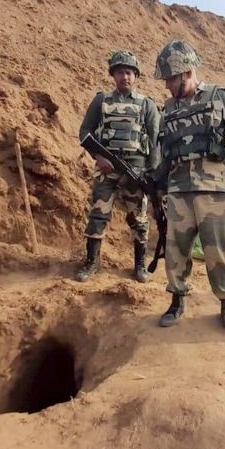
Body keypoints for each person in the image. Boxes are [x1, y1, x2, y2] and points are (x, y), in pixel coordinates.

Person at [152, 40, 225, 330]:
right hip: (178, 190)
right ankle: (177, 299)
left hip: (213, 189)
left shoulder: (222, 98)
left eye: (171, 79)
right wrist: (157, 186)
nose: (167, 85)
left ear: (187, 72)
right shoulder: (168, 109)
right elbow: (164, 153)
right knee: (176, 250)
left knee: (217, 250)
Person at [77, 51, 161, 283]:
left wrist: (150, 173)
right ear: (113, 75)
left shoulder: (147, 104)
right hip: (107, 169)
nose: (125, 77)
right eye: (120, 72)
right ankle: (92, 263)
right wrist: (98, 157)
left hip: (136, 171)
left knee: (139, 219)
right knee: (98, 215)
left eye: (130, 72)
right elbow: (85, 132)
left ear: (136, 76)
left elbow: (156, 141)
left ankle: (140, 266)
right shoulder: (101, 101)